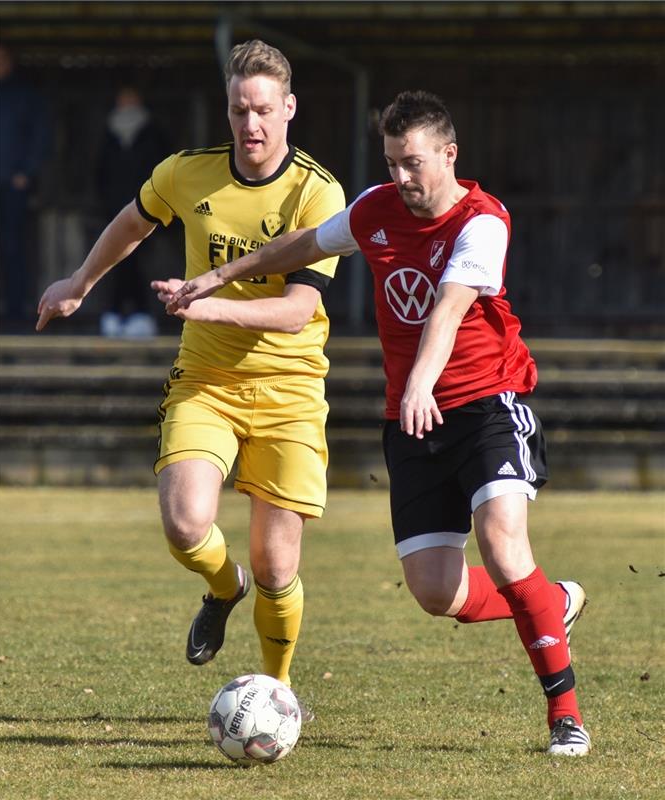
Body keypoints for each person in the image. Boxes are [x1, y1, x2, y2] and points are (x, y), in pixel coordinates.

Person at [160, 90, 591, 756]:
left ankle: (564, 716)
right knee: (433, 591)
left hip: (485, 406)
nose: (400, 178)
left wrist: (419, 381)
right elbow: (302, 244)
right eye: (391, 162)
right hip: (413, 425)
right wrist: (218, 277)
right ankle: (549, 602)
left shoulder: (482, 221)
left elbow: (447, 308)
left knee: (504, 548)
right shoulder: (375, 209)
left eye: (412, 163)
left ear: (449, 155)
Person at [36, 40, 346, 719]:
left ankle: (276, 693)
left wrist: (205, 301)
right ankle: (222, 587)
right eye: (239, 110)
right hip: (205, 377)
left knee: (276, 566)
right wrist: (81, 282)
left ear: (288, 109)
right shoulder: (187, 173)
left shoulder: (316, 191)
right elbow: (134, 221)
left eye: (263, 109)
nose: (251, 124)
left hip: (290, 390)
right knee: (184, 523)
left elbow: (298, 311)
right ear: (226, 110)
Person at [95, 86, 170, 338]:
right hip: (114, 208)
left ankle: (141, 313)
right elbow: (100, 171)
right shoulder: (108, 133)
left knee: (139, 261)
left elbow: (163, 170)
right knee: (114, 262)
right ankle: (116, 314)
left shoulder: (154, 133)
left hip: (147, 209)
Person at [0, 40, 52, 326]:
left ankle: (15, 314)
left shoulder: (24, 95)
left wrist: (25, 173)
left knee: (13, 247)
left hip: (11, 184)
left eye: (0, 58)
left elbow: (40, 137)